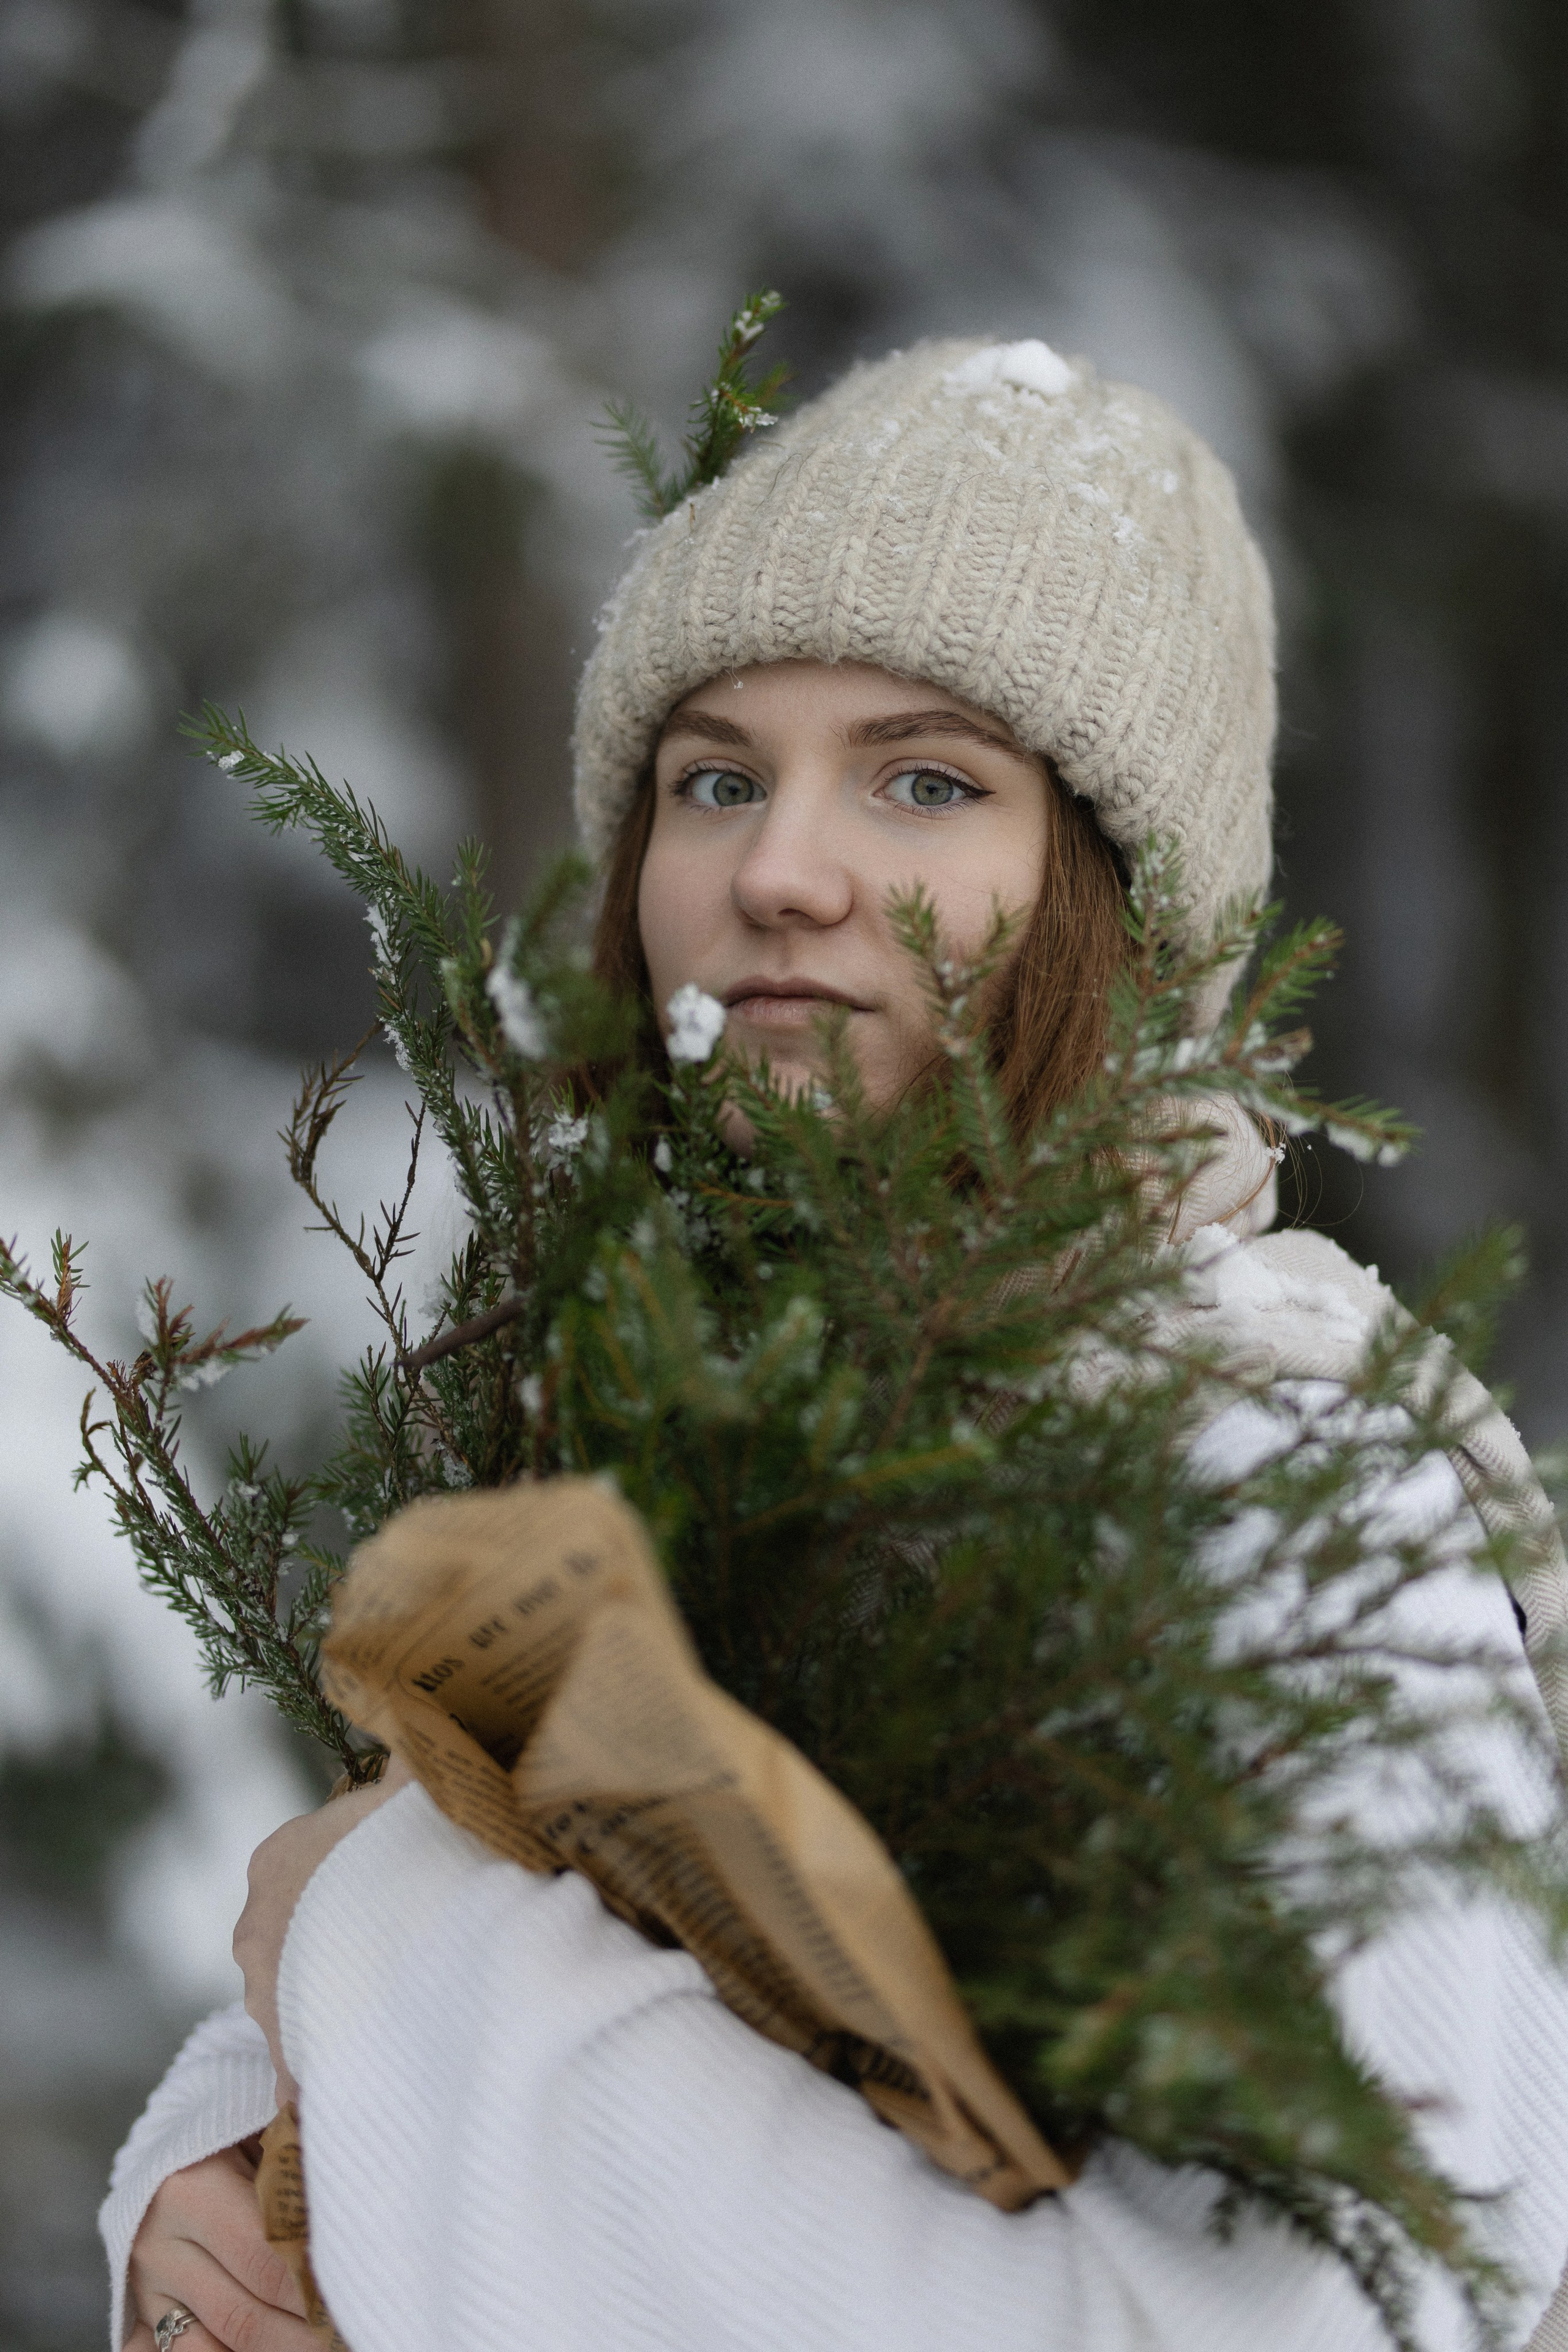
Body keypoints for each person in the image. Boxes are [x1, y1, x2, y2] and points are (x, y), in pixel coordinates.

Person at [106, 338, 1568, 2352]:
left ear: (1117, 901)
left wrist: (381, 1936)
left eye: (925, 779)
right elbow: (492, 2042)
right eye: (715, 778)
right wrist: (204, 2196)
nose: (775, 870)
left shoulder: (1258, 1477)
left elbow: (1325, 2326)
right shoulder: (667, 1424)